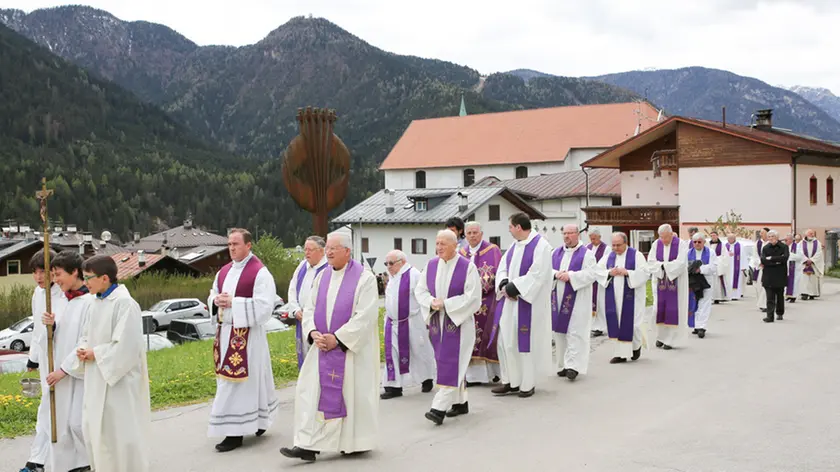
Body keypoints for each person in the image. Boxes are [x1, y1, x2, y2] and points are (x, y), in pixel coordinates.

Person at [280, 233, 380, 461]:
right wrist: (313, 332)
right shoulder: (322, 277)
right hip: (322, 347)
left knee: (350, 396)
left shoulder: (365, 279)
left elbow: (365, 316)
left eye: (335, 248)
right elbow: (310, 308)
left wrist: (339, 338)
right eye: (328, 249)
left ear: (348, 251)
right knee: (309, 392)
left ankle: (352, 442)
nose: (329, 252)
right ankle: (307, 444)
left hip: (349, 351)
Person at [74, 255, 150, 472]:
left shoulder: (125, 304)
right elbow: (86, 334)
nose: (85, 282)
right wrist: (82, 349)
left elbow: (127, 347)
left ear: (105, 278)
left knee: (118, 432)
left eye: (88, 278)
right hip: (96, 377)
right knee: (96, 430)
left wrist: (95, 353)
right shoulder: (95, 302)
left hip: (119, 382)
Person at [207, 228, 278, 452]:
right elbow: (212, 295)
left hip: (248, 337)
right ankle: (255, 422)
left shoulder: (260, 273)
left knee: (240, 383)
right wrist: (215, 300)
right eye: (229, 244)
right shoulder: (223, 272)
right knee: (235, 383)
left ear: (248, 245)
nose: (232, 248)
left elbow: (266, 306)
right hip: (226, 333)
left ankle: (234, 432)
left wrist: (234, 304)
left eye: (236, 244)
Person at [415, 230, 481, 425]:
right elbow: (420, 290)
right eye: (437, 243)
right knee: (446, 361)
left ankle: (438, 408)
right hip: (437, 321)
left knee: (453, 363)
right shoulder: (431, 265)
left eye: (443, 244)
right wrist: (431, 301)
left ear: (455, 245)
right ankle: (461, 402)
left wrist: (447, 304)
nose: (439, 247)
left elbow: (473, 297)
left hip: (458, 322)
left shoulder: (467, 267)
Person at [41, 251, 91, 472]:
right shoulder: (62, 301)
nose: (55, 279)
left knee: (78, 422)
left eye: (58, 274)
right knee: (61, 423)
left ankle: (89, 462)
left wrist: (64, 369)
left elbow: (85, 339)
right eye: (52, 274)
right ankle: (71, 465)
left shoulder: (89, 302)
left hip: (79, 374)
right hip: (62, 373)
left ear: (75, 272)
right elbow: (57, 339)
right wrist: (51, 327)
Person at [491, 213, 553, 394]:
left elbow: (538, 274)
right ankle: (511, 380)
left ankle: (527, 384)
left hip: (528, 303)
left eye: (510, 227)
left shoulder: (541, 246)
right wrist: (503, 283)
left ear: (518, 227)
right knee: (507, 342)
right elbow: (503, 267)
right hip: (510, 303)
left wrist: (515, 288)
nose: (509, 231)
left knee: (525, 343)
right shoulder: (514, 246)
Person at [21, 249, 67, 472]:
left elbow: (67, 328)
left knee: (50, 410)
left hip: (61, 360)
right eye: (35, 272)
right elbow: (37, 329)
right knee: (49, 408)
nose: (39, 277)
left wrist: (55, 326)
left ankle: (36, 461)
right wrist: (33, 359)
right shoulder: (37, 294)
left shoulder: (63, 294)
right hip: (45, 360)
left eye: (44, 272)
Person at [380, 250, 435, 399]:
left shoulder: (414, 275)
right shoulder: (392, 277)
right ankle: (393, 386)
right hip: (393, 323)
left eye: (391, 263)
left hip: (412, 321)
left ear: (402, 262)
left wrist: (425, 315)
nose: (388, 267)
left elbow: (424, 295)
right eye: (387, 264)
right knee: (392, 353)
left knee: (418, 351)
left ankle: (427, 378)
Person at [550, 224, 598, 381]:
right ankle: (564, 364)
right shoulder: (555, 253)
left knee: (575, 333)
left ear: (578, 234)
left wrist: (571, 276)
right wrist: (556, 273)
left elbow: (592, 274)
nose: (567, 236)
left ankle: (574, 366)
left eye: (570, 233)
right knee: (560, 333)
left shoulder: (587, 254)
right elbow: (546, 270)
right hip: (557, 298)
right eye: (564, 233)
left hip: (578, 299)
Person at [460, 222, 502, 385]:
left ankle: (492, 373)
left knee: (488, 335)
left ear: (481, 234)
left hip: (487, 301)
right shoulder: (462, 252)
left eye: (475, 232)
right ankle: (473, 376)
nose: (472, 235)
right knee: (469, 336)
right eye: (469, 233)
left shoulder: (492, 250)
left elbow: (497, 272)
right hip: (467, 302)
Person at [597, 232, 648, 364]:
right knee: (616, 323)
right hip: (613, 296)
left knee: (634, 325)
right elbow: (597, 271)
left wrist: (628, 273)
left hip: (632, 296)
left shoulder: (636, 255)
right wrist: (609, 273)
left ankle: (636, 347)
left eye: (618, 245)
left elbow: (645, 273)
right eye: (613, 245)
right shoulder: (608, 256)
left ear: (626, 243)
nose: (615, 248)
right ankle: (620, 354)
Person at [288, 236, 329, 369]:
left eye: (310, 249)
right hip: (301, 319)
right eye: (305, 249)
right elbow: (292, 289)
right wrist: (295, 310)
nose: (307, 253)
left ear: (322, 251)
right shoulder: (302, 266)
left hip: (319, 323)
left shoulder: (328, 269)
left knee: (317, 360)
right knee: (304, 357)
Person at [648, 224, 689, 350]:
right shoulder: (656, 244)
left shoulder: (681, 244)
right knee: (658, 310)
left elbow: (681, 263)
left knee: (673, 309)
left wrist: (664, 266)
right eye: (661, 237)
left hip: (676, 282)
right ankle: (660, 337)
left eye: (666, 237)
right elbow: (651, 261)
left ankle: (671, 340)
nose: (664, 240)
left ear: (672, 234)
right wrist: (662, 267)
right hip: (660, 281)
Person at [687, 233, 717, 339]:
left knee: (704, 303)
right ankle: (696, 325)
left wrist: (701, 269)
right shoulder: (688, 253)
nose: (697, 244)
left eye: (699, 241)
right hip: (693, 282)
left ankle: (701, 327)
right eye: (694, 242)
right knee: (694, 303)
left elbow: (714, 267)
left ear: (704, 242)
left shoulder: (711, 252)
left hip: (706, 281)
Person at [586, 229, 611, 337]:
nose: (592, 241)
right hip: (589, 280)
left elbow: (607, 263)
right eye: (591, 238)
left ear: (599, 237)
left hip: (600, 280)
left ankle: (600, 327)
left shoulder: (607, 249)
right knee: (589, 303)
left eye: (594, 238)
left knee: (600, 303)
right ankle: (591, 326)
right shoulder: (587, 247)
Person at [760, 231, 789, 322]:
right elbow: (763, 260)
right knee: (770, 297)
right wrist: (777, 261)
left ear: (777, 237)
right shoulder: (765, 248)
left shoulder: (784, 247)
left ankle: (780, 313)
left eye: (772, 236)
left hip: (780, 275)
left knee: (780, 296)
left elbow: (784, 258)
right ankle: (770, 316)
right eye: (769, 236)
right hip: (768, 275)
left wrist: (771, 258)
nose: (771, 238)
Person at [749, 228, 770, 313]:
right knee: (759, 286)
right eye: (760, 233)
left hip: (768, 268)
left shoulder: (771, 243)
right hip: (760, 267)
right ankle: (761, 304)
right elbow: (755, 255)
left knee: (766, 286)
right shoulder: (757, 243)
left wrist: (766, 262)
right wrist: (760, 262)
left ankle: (766, 305)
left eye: (763, 233)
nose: (761, 234)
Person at [800, 229, 824, 300]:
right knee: (804, 279)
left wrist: (812, 260)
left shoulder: (818, 243)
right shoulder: (801, 243)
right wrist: (805, 259)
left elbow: (819, 253)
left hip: (814, 264)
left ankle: (813, 293)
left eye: (813, 233)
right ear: (806, 235)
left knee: (813, 279)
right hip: (804, 264)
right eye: (810, 233)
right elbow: (799, 252)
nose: (812, 235)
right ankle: (804, 293)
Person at [708, 232, 730, 304]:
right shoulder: (708, 244)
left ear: (717, 236)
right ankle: (711, 297)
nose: (713, 237)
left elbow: (725, 256)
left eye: (714, 235)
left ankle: (718, 297)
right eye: (711, 236)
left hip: (719, 265)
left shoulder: (722, 245)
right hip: (710, 264)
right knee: (711, 282)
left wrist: (721, 262)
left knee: (718, 282)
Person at [724, 233, 746, 301]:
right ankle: (728, 295)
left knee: (736, 280)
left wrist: (743, 266)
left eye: (731, 238)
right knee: (728, 280)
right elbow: (722, 255)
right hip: (727, 267)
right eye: (728, 238)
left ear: (734, 238)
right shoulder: (725, 245)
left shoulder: (740, 246)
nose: (729, 240)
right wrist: (728, 254)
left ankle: (735, 295)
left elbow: (743, 256)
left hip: (736, 267)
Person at [784, 234, 804, 303]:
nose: (785, 241)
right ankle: (788, 295)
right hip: (786, 267)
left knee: (794, 283)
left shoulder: (797, 247)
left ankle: (793, 297)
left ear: (791, 240)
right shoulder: (785, 247)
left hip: (794, 268)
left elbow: (800, 257)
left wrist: (789, 255)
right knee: (786, 282)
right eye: (785, 240)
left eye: (786, 240)